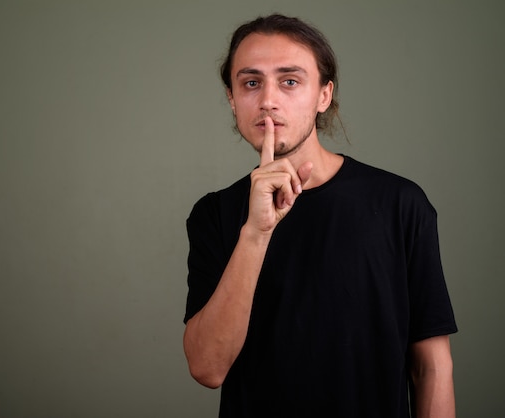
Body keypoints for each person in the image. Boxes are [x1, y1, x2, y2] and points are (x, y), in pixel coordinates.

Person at [183, 14, 457, 417]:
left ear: (323, 96)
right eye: (251, 82)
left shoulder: (400, 203)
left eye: (290, 81)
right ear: (232, 98)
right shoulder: (215, 214)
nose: (268, 100)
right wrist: (256, 233)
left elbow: (430, 366)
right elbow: (207, 368)